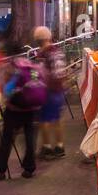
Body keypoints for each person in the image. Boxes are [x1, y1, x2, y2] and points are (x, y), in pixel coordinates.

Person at [0, 41, 41, 181]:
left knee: (7, 139)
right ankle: (29, 168)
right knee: (30, 138)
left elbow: (6, 89)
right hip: (31, 108)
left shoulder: (10, 67)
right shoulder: (31, 66)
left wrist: (8, 97)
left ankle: (0, 170)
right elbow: (36, 83)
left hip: (14, 110)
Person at [34, 26, 67, 160]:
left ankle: (47, 147)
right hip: (59, 89)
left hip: (47, 91)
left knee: (44, 120)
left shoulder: (42, 54)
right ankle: (59, 146)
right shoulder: (58, 50)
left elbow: (38, 74)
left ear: (38, 40)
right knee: (57, 119)